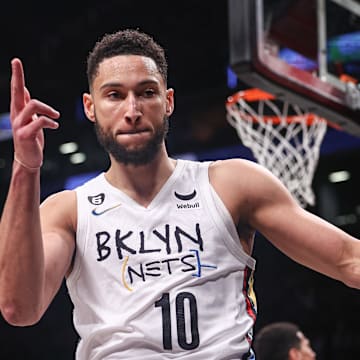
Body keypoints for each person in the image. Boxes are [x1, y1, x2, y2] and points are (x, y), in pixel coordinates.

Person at [0, 28, 360, 360]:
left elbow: (347, 259)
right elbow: (20, 308)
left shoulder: (231, 184)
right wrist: (26, 167)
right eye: (114, 95)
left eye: (147, 92)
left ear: (168, 101)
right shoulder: (69, 210)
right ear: (90, 107)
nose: (132, 110)